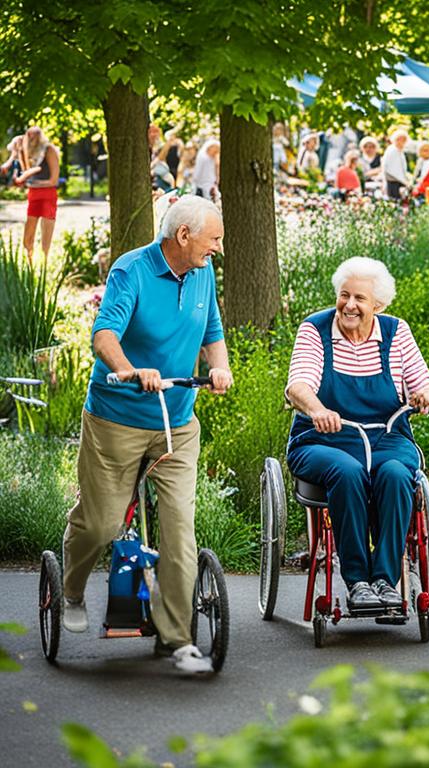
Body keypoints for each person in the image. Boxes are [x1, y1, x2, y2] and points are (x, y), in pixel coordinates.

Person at [61, 195, 233, 674]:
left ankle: (176, 639)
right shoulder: (131, 270)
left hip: (176, 422)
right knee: (101, 524)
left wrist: (219, 368)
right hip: (117, 417)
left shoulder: (202, 274)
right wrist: (131, 370)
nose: (218, 247)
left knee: (180, 532)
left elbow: (211, 332)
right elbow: (104, 335)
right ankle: (71, 590)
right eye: (213, 238)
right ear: (183, 236)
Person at [285, 257, 429, 612]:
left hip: (386, 438)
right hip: (323, 440)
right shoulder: (315, 330)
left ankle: (386, 579)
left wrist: (425, 396)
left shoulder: (396, 332)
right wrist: (317, 410)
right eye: (344, 296)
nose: (349, 306)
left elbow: (425, 384)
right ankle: (357, 581)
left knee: (397, 473)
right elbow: (298, 385)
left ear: (379, 306)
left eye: (360, 299)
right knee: (348, 471)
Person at [14, 126, 60, 263]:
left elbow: (54, 180)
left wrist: (35, 184)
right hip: (33, 196)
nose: (31, 137)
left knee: (46, 238)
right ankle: (29, 266)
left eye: (34, 134)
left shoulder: (49, 150)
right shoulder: (32, 153)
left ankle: (45, 266)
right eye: (29, 135)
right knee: (28, 237)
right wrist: (20, 151)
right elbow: (27, 172)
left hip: (47, 195)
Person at [382, 129, 410, 200]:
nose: (401, 142)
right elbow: (392, 170)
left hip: (398, 182)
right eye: (398, 140)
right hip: (393, 182)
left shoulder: (399, 151)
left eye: (403, 140)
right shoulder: (392, 151)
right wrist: (405, 182)